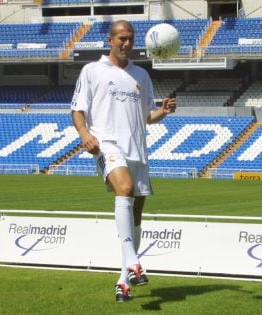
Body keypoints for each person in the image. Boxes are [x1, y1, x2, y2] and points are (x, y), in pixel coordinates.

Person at [70, 20, 177, 302]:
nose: (126, 43)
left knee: (136, 215)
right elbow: (77, 109)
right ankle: (134, 263)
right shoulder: (92, 70)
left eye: (130, 39)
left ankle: (123, 282)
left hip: (137, 150)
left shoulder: (140, 75)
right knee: (125, 189)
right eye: (121, 38)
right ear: (110, 39)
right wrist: (84, 134)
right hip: (107, 145)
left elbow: (146, 116)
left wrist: (162, 111)